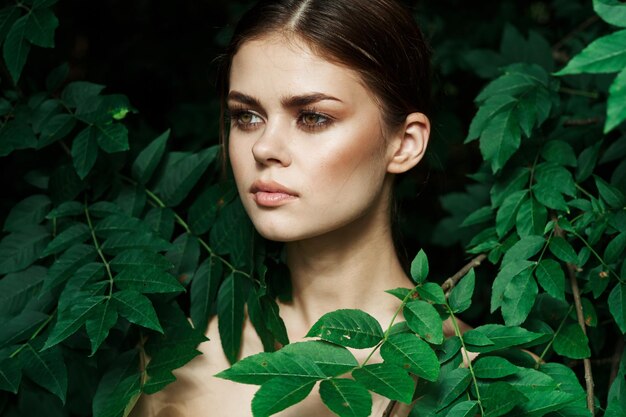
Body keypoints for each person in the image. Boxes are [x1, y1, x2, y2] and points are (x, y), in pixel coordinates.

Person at [131, 0, 465, 415]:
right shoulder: (176, 371)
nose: (264, 147)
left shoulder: (471, 376)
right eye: (246, 116)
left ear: (405, 143)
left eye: (312, 117)